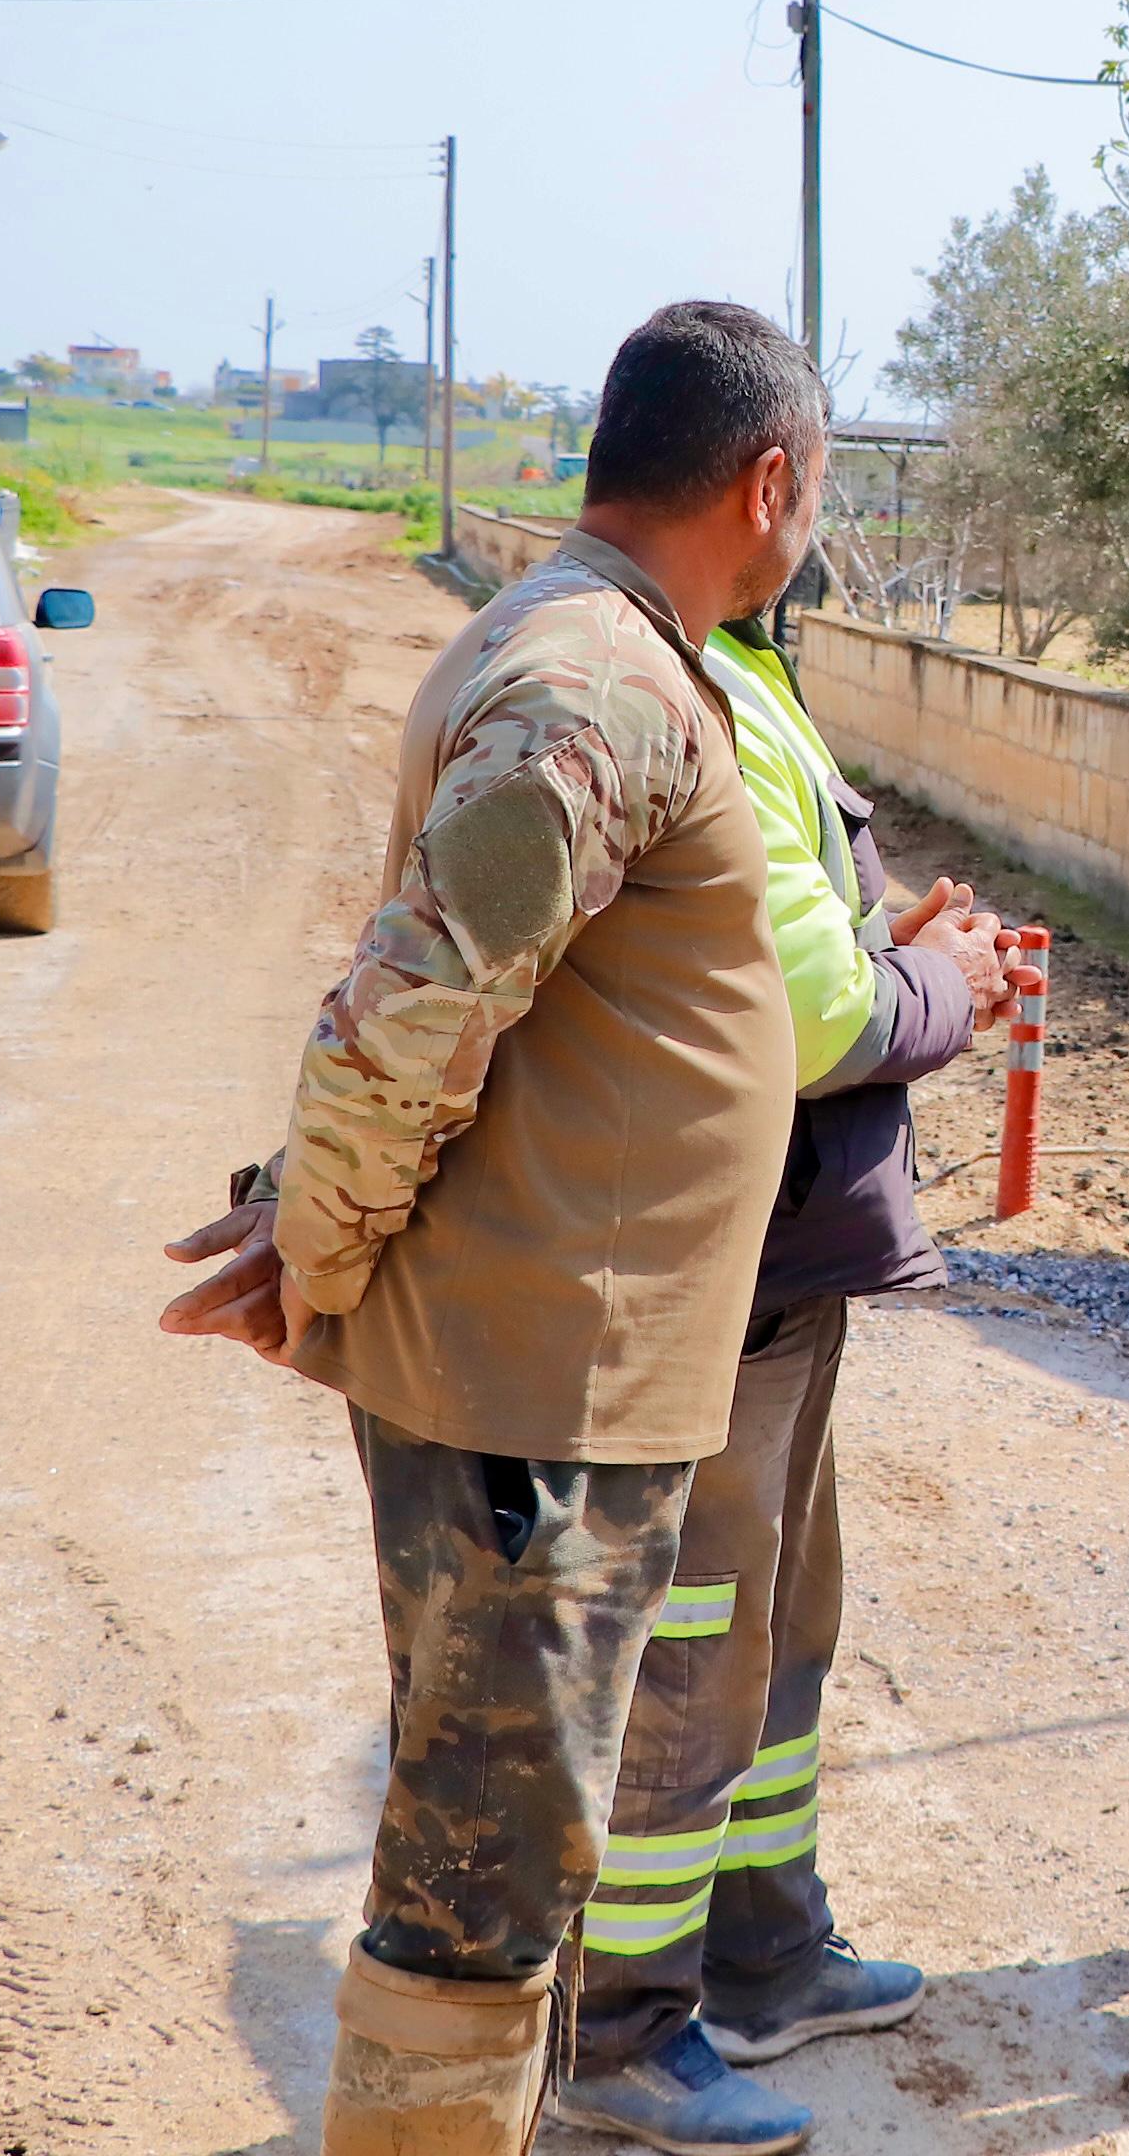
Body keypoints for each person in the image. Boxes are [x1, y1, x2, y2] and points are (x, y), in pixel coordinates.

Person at [157, 302, 820, 2156]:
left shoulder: (594, 645)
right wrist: (313, 1253)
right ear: (768, 483)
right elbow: (420, 1002)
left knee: (509, 1863)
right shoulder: (597, 681)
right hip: (540, 1410)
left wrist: (309, 1229)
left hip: (553, 1388)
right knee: (478, 1890)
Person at [554, 590, 1020, 2152]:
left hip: (783, 1262)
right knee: (696, 1644)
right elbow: (811, 1020)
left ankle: (765, 1955)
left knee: (781, 1624)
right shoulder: (691, 683)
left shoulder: (743, 665)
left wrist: (892, 942)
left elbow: (787, 952)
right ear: (769, 486)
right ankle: (619, 2029)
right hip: (724, 1273)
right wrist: (939, 981)